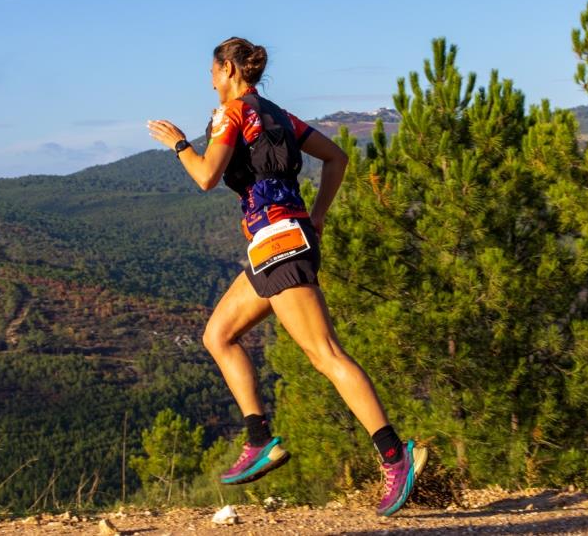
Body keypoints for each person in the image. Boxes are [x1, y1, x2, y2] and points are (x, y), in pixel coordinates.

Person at [147, 36, 426, 516]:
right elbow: (337, 156)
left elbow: (206, 176)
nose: (210, 79)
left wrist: (178, 145)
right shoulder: (278, 114)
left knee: (326, 354)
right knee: (219, 335)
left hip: (278, 243)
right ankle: (259, 440)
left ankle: (394, 455)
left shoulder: (231, 113)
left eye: (213, 70)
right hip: (280, 241)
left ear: (230, 69)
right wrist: (317, 215)